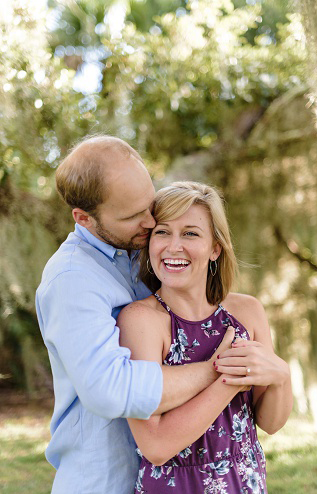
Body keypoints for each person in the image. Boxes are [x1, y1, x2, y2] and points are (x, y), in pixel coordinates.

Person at [35, 136, 223, 493]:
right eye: (133, 216)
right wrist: (217, 369)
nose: (151, 222)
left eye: (149, 204)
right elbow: (111, 389)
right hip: (106, 481)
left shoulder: (143, 249)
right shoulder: (72, 279)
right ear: (84, 219)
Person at [116, 181, 293, 492]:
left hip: (244, 480)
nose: (173, 246)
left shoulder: (247, 312)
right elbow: (155, 446)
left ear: (215, 248)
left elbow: (271, 423)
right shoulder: (141, 321)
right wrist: (229, 377)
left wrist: (281, 376)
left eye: (190, 233)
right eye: (162, 232)